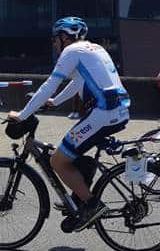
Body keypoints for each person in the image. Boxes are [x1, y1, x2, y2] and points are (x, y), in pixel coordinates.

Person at [8, 16, 130, 231]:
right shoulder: (94, 49)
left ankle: (91, 205)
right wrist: (55, 102)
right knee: (67, 152)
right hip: (117, 111)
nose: (54, 44)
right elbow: (78, 81)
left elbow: (49, 85)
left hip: (103, 114)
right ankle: (83, 186)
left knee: (57, 161)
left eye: (55, 39)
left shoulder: (71, 51)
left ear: (65, 37)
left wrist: (23, 115)